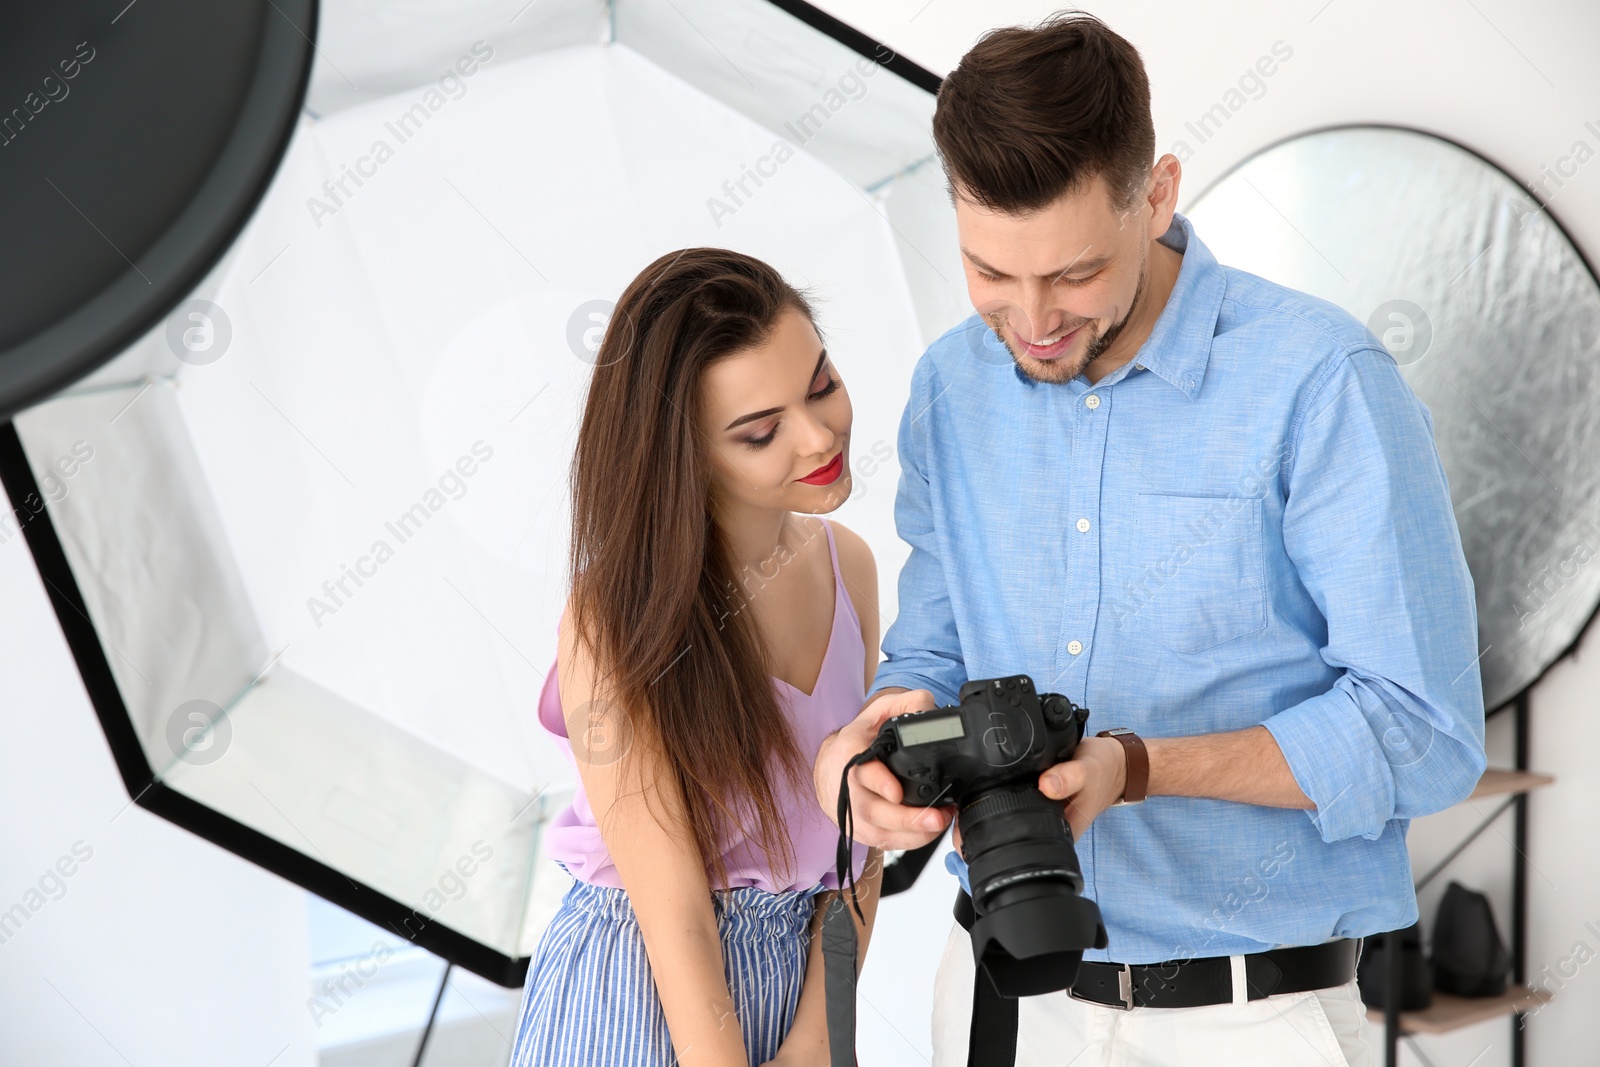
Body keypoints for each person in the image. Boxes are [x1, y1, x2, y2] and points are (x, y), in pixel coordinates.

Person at [811, 13, 1486, 1067]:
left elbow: (1424, 727)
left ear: (1157, 193)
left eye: (1072, 274)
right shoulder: (949, 384)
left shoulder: (1319, 381)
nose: (1029, 319)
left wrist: (1137, 765)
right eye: (990, 271)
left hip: (1253, 1021)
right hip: (998, 1002)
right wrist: (877, 746)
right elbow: (933, 655)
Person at [510, 248, 884, 1067]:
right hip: (641, 988)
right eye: (761, 431)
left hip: (799, 988)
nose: (820, 435)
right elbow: (670, 907)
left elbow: (861, 849)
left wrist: (814, 1047)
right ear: (688, 453)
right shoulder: (617, 619)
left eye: (821, 384)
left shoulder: (849, 568)